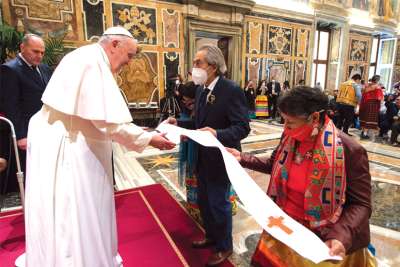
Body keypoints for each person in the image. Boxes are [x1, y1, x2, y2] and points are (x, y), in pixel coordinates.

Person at [24, 26, 176, 266]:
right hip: (69, 148)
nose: (129, 63)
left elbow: (103, 116)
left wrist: (148, 132)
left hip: (64, 139)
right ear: (115, 44)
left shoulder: (86, 57)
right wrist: (149, 139)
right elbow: (109, 123)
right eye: (130, 55)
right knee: (73, 215)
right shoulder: (92, 62)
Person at [227, 86, 376, 267]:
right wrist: (242, 158)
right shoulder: (291, 138)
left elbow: (361, 204)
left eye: (290, 122)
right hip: (285, 225)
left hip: (323, 237)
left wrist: (341, 235)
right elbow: (274, 164)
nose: (285, 127)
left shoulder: (349, 150)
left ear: (314, 118)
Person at [169, 44, 250, 266]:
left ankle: (224, 246)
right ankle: (211, 236)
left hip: (222, 156)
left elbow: (242, 128)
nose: (194, 67)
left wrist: (217, 133)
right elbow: (199, 123)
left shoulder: (231, 90)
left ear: (212, 67)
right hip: (202, 154)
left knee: (218, 202)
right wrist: (180, 123)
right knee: (205, 199)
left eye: (198, 63)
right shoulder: (200, 89)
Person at [0, 34, 52, 193]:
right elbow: (11, 105)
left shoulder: (44, 68)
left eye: (42, 52)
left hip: (45, 127)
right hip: (26, 131)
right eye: (35, 51)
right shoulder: (10, 69)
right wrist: (21, 134)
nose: (40, 56)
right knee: (29, 171)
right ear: (22, 48)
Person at [359, 75, 384, 139]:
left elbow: (362, 94)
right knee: (369, 119)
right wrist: (381, 104)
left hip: (364, 104)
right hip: (373, 105)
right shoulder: (377, 87)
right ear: (377, 80)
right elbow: (379, 98)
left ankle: (363, 132)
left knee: (364, 118)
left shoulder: (366, 86)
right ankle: (364, 134)